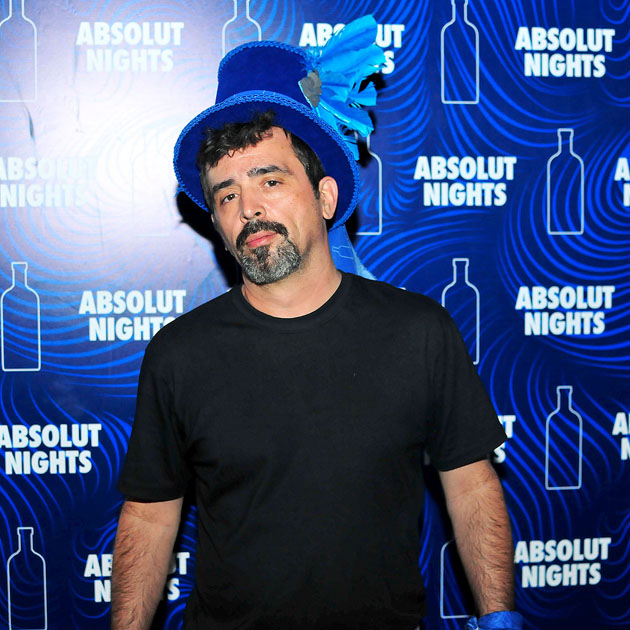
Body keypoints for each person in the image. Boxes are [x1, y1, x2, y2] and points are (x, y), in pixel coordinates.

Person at [111, 17, 522, 630]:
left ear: (326, 198)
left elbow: (470, 485)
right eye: (226, 195)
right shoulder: (179, 354)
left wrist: (499, 620)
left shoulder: (419, 333)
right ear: (216, 223)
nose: (249, 208)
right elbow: (148, 515)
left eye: (270, 180)